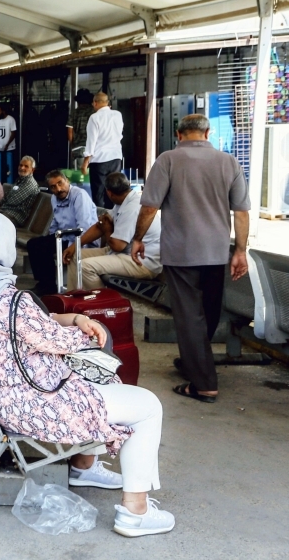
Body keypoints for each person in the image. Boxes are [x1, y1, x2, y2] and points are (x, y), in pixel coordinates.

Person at [0, 212, 174, 538]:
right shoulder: (10, 300)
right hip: (34, 403)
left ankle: (85, 467)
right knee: (147, 405)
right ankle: (136, 511)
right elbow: (56, 341)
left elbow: (31, 325)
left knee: (100, 379)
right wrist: (87, 328)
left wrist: (71, 319)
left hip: (0, 396)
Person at [131, 113, 250, 404]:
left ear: (179, 134)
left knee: (189, 317)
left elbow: (149, 207)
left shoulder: (168, 160)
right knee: (207, 313)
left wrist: (137, 238)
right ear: (207, 134)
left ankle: (204, 383)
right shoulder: (229, 162)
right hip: (216, 252)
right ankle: (193, 361)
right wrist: (240, 250)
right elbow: (242, 212)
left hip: (182, 252)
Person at [63, 172, 162, 291]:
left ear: (109, 193)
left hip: (141, 262)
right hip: (123, 253)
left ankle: (100, 305)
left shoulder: (132, 208)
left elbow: (118, 246)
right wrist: (75, 246)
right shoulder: (124, 200)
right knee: (75, 255)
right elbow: (100, 225)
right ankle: (74, 299)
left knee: (85, 267)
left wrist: (107, 230)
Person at [26, 169, 98, 295]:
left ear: (67, 181)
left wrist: (73, 248)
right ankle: (45, 284)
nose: (58, 189)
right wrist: (50, 237)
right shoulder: (55, 198)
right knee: (34, 244)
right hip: (63, 237)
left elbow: (84, 227)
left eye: (60, 183)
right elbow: (55, 221)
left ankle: (47, 286)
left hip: (81, 240)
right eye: (53, 187)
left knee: (43, 248)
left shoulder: (79, 195)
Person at [82, 92, 124, 209]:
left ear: (95, 103)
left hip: (99, 160)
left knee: (99, 192)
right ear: (108, 103)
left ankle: (100, 219)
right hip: (116, 158)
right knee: (113, 189)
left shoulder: (94, 118)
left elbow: (91, 141)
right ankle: (113, 216)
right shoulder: (118, 115)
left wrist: (85, 162)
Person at [0, 155, 40, 227]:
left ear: (32, 170)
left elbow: (12, 201)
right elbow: (6, 197)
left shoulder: (30, 183)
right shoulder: (20, 180)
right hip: (5, 212)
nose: (22, 168)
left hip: (15, 216)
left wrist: (0, 205)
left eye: (26, 166)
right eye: (20, 165)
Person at [67, 89, 95, 168]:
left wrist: (73, 145)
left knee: (80, 176)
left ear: (78, 101)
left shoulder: (74, 113)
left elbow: (69, 131)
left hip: (78, 148)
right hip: (94, 148)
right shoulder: (95, 113)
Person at [0, 106, 17, 184]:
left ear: (3, 111)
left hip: (9, 148)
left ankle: (9, 182)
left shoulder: (11, 119)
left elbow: (13, 133)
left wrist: (7, 144)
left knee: (9, 165)